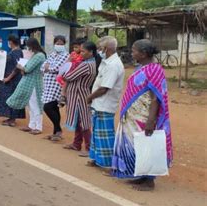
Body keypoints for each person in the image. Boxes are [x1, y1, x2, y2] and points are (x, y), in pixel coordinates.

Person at [112, 39, 172, 191]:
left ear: (144, 53)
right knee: (136, 144)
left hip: (144, 116)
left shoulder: (155, 70)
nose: (132, 53)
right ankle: (141, 174)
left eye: (134, 50)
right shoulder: (141, 67)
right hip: (132, 114)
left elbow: (155, 98)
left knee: (146, 145)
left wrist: (151, 120)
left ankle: (149, 181)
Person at [85, 36, 125, 169]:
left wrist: (89, 97)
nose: (98, 51)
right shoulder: (107, 62)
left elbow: (104, 88)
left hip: (105, 104)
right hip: (99, 104)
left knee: (106, 136)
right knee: (97, 134)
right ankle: (97, 159)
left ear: (106, 49)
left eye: (99, 48)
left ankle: (109, 164)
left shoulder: (113, 65)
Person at [62, 41, 98, 156]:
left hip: (80, 95)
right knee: (78, 120)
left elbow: (68, 76)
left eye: (83, 51)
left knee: (84, 121)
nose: (80, 53)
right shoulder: (88, 63)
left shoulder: (86, 65)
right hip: (79, 93)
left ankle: (88, 147)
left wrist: (68, 65)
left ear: (91, 52)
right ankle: (77, 144)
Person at [6, 38, 46, 134]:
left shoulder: (39, 56)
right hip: (30, 83)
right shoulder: (36, 55)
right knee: (31, 105)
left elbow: (27, 69)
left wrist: (21, 67)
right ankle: (32, 125)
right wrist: (23, 68)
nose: (27, 48)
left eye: (28, 46)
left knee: (35, 105)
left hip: (34, 84)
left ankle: (38, 127)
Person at [41, 35, 70, 141]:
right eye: (57, 43)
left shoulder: (67, 56)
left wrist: (49, 68)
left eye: (61, 44)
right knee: (54, 108)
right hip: (48, 84)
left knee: (48, 107)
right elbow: (42, 67)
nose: (59, 45)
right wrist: (48, 68)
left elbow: (59, 68)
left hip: (57, 85)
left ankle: (58, 130)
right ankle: (56, 132)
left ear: (64, 44)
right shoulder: (52, 54)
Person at [0, 34, 25, 127]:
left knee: (12, 97)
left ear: (11, 42)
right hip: (9, 78)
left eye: (8, 41)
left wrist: (8, 78)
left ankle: (12, 119)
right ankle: (10, 117)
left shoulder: (17, 52)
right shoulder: (13, 51)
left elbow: (17, 67)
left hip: (13, 80)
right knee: (7, 97)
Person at [58, 38, 85, 107]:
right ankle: (63, 96)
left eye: (76, 47)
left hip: (76, 72)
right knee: (64, 80)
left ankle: (63, 96)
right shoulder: (73, 53)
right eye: (74, 47)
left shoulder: (83, 55)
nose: (74, 49)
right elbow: (67, 62)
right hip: (69, 70)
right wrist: (70, 60)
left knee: (67, 81)